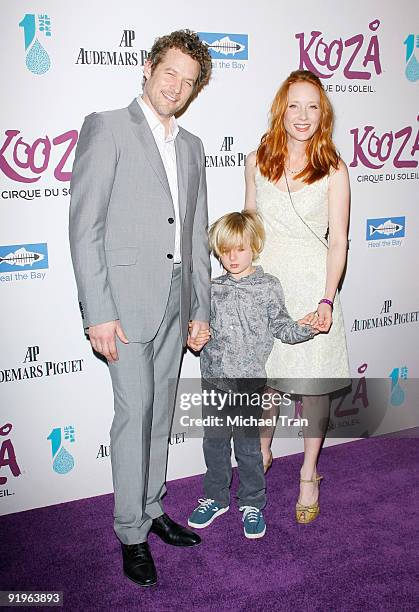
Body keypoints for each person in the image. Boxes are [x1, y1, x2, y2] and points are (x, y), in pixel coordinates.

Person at [69, 30, 212, 587]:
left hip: (177, 301)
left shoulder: (194, 146)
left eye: (188, 81)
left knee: (159, 417)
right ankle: (130, 531)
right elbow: (86, 228)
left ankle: (152, 510)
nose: (176, 86)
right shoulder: (107, 126)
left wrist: (201, 308)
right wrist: (97, 311)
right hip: (124, 307)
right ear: (148, 67)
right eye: (169, 72)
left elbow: (197, 234)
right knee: (133, 418)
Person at [244, 69, 351, 524]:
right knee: (267, 379)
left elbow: (340, 240)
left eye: (312, 106)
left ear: (322, 112)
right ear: (280, 110)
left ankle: (309, 472)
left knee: (314, 383)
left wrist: (327, 299)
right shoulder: (254, 161)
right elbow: (248, 225)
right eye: (294, 105)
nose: (302, 116)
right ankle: (262, 454)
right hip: (268, 282)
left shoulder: (334, 168)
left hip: (313, 285)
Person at [187, 211, 318, 539]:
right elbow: (196, 329)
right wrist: (195, 335)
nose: (233, 257)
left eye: (240, 249)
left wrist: (307, 328)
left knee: (248, 448)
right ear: (218, 250)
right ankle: (215, 497)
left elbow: (282, 327)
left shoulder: (269, 286)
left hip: (249, 384)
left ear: (254, 247)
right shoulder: (210, 289)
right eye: (226, 250)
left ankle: (252, 503)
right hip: (214, 381)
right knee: (214, 445)